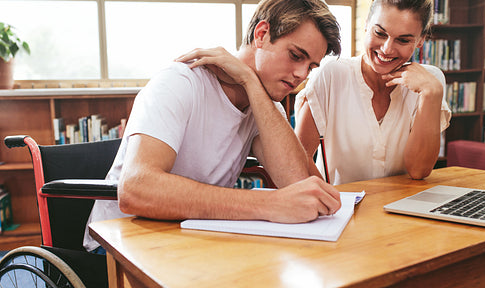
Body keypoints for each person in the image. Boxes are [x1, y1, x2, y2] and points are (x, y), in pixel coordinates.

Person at [83, 0, 343, 252]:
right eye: (296, 55)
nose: (301, 75)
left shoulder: (264, 105)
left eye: (311, 66)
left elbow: (301, 186)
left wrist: (249, 81)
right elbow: (136, 190)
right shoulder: (180, 82)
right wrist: (269, 203)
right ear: (261, 34)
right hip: (121, 245)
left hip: (191, 241)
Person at [294, 0, 452, 185]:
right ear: (366, 24)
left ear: (421, 40)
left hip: (401, 206)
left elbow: (419, 171)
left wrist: (431, 94)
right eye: (380, 33)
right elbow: (297, 161)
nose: (387, 49)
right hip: (341, 208)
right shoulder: (331, 75)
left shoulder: (430, 81)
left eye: (403, 40)